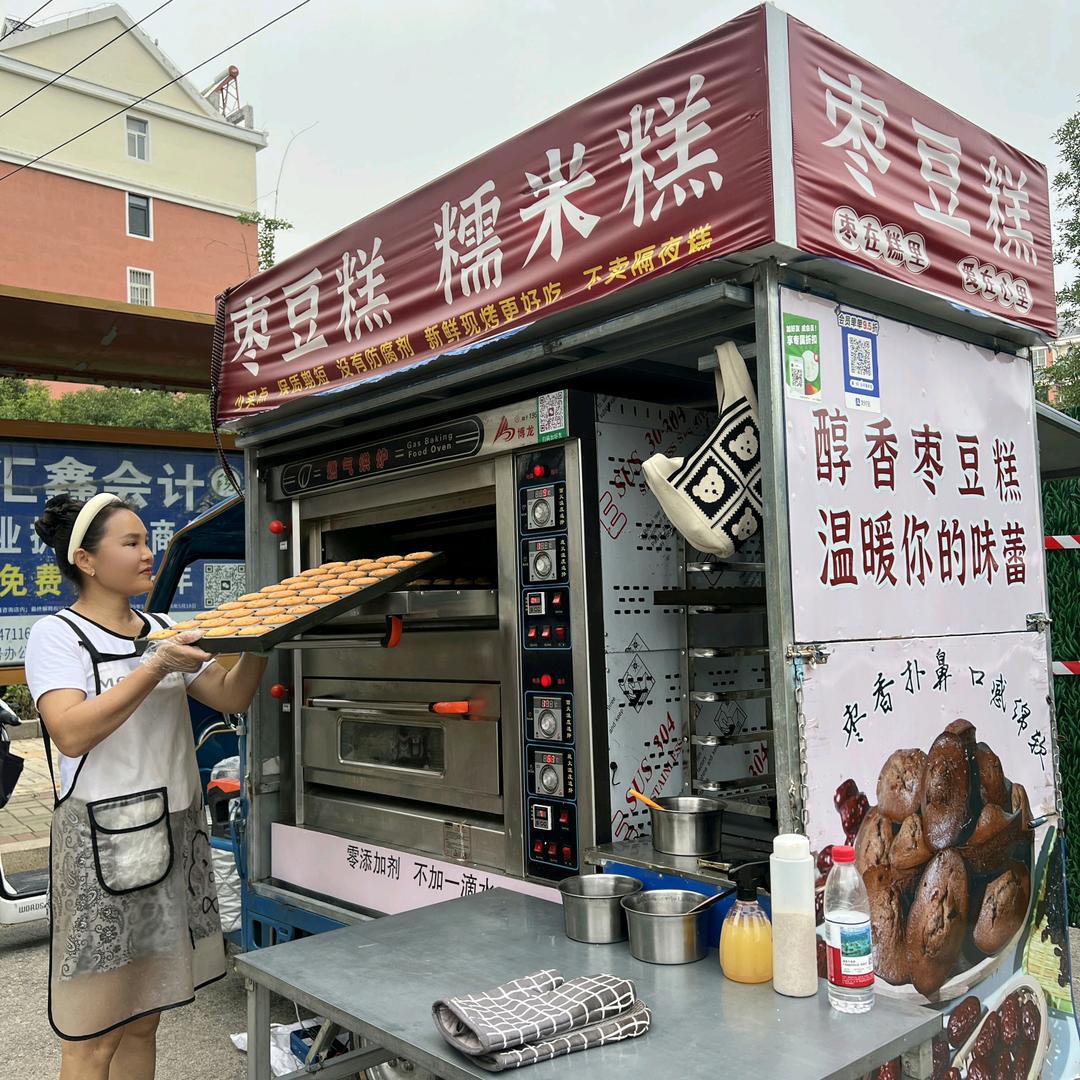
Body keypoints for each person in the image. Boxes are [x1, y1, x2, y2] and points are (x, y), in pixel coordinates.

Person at [23, 492, 267, 1080]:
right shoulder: (59, 636)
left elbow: (231, 696)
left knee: (145, 1015)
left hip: (175, 834)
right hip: (104, 843)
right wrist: (154, 667)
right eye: (129, 543)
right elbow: (70, 733)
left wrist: (263, 638)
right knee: (95, 1029)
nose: (146, 553)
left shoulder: (161, 628)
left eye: (145, 540)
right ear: (85, 559)